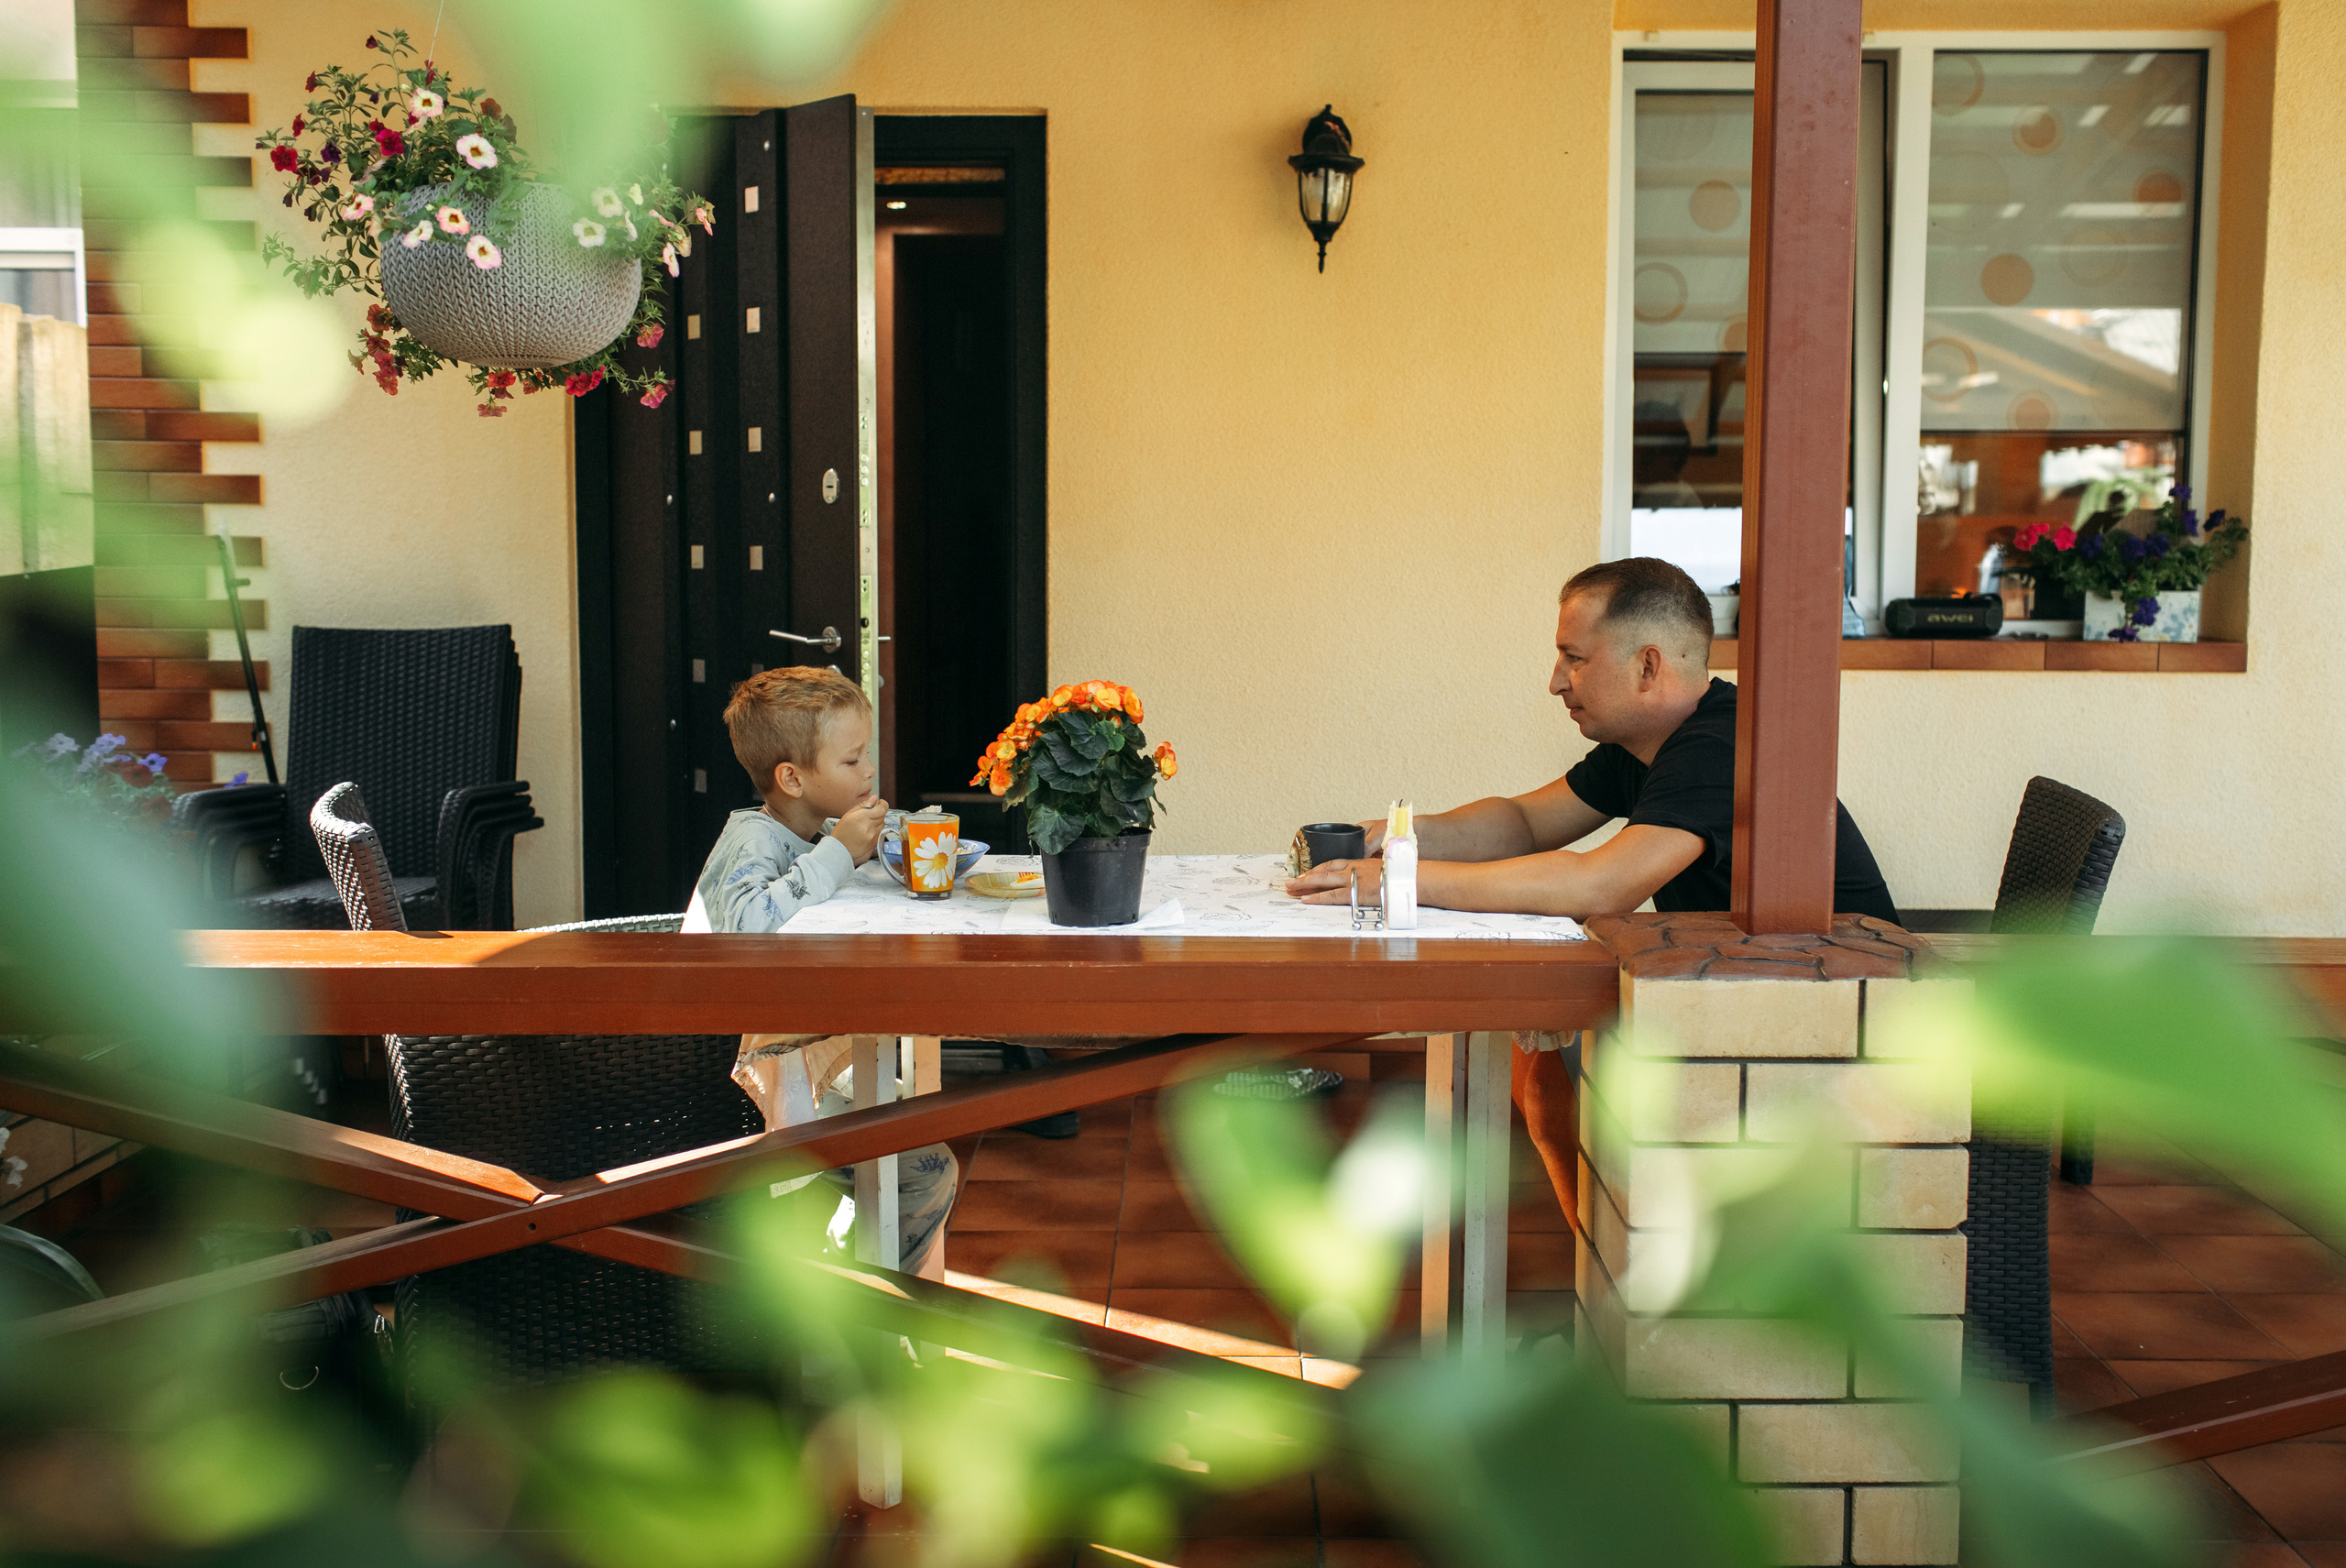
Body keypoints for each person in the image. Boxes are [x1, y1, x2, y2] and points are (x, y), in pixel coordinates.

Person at [1284, 556, 1899, 1215]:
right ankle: (1599, 1276)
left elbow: (1600, 883)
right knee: (1536, 1067)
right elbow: (1523, 822)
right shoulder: (1647, 744)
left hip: (1844, 1032)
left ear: (1648, 666)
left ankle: (1619, 1285)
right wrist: (1400, 834)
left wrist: (1398, 882)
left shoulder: (1721, 747)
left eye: (1573, 658)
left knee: (1546, 1063)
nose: (1555, 682)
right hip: (1738, 992)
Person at [684, 665, 956, 1276]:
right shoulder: (752, 840)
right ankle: (881, 1308)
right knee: (923, 1171)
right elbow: (747, 928)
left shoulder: (811, 826)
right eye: (853, 760)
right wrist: (838, 854)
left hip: (806, 1055)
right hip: (748, 1083)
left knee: (918, 1159)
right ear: (793, 777)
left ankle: (867, 1293)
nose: (868, 773)